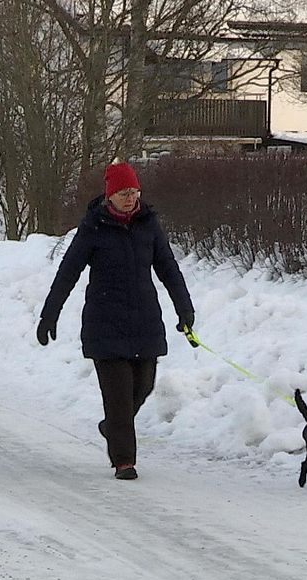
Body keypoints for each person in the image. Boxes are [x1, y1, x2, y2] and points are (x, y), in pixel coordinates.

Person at [36, 162, 194, 480]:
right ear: (110, 195)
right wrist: (49, 313)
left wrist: (184, 308)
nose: (129, 198)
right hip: (104, 323)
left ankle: (112, 428)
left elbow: (168, 268)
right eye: (123, 193)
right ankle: (124, 460)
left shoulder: (148, 224)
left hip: (144, 322)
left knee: (144, 385)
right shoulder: (94, 226)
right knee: (118, 395)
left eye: (134, 192)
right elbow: (69, 271)